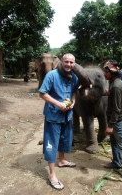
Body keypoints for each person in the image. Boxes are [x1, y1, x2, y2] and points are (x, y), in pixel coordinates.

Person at [39, 53, 78, 191]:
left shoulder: (74, 77)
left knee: (64, 139)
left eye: (71, 62)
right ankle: (52, 175)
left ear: (74, 63)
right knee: (51, 143)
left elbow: (74, 92)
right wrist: (58, 104)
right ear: (61, 62)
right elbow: (42, 93)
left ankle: (61, 161)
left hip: (67, 115)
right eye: (66, 62)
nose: (68, 65)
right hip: (54, 115)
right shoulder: (52, 75)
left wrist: (73, 101)